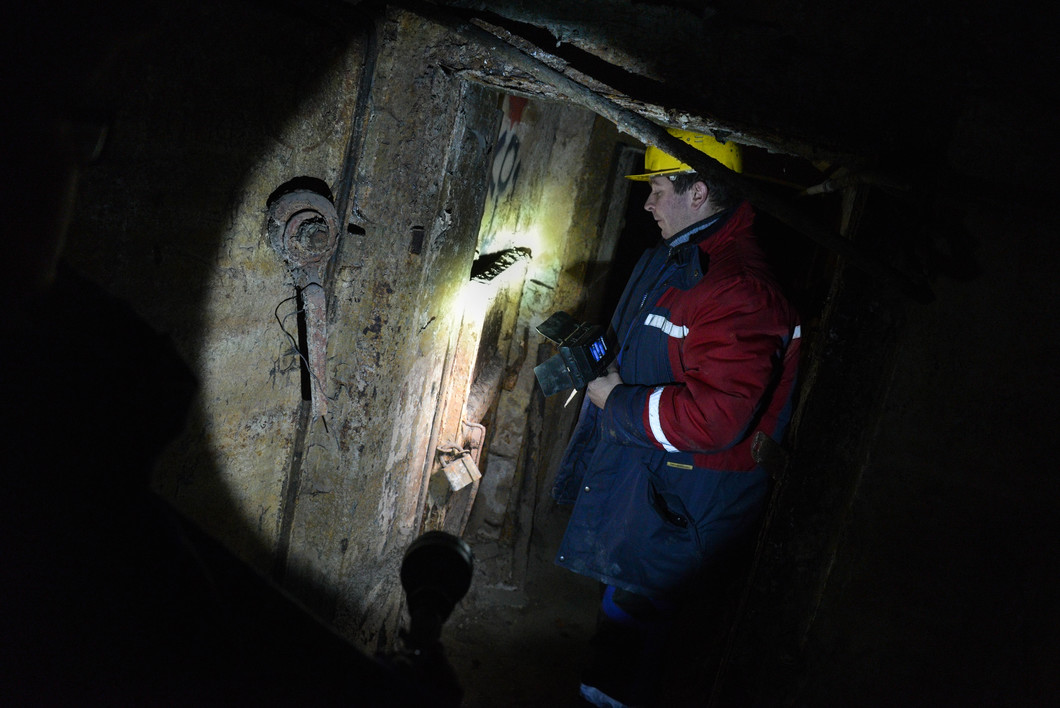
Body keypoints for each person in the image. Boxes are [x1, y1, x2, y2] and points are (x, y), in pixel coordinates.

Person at [551, 128, 802, 707]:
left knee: (638, 643)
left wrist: (615, 402)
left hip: (688, 507)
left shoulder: (739, 289)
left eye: (659, 186)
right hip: (653, 489)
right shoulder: (672, 259)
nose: (647, 201)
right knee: (620, 623)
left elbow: (718, 418)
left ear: (699, 192)